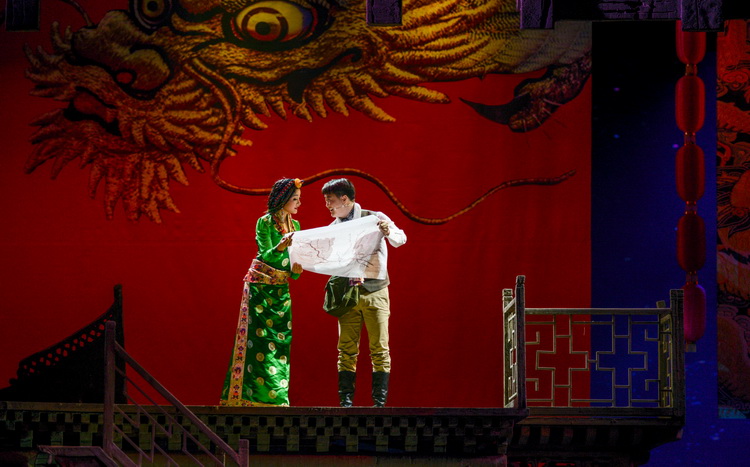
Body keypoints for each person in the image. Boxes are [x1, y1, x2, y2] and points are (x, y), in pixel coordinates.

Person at [321, 178, 407, 407]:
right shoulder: (333, 229)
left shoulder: (374, 217)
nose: (327, 206)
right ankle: (346, 402)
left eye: (330, 200)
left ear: (344, 199)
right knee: (346, 349)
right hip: (348, 294)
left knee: (380, 348)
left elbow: (400, 239)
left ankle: (379, 404)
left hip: (375, 291)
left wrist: (388, 231)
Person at [220, 178, 304, 407]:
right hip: (260, 288)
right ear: (283, 199)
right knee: (256, 342)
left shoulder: (296, 226)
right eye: (295, 199)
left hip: (281, 291)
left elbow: (294, 263)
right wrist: (281, 246)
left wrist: (297, 271)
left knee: (280, 344)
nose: (298, 203)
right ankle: (248, 398)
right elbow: (265, 254)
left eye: (298, 199)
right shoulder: (265, 222)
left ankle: (277, 399)